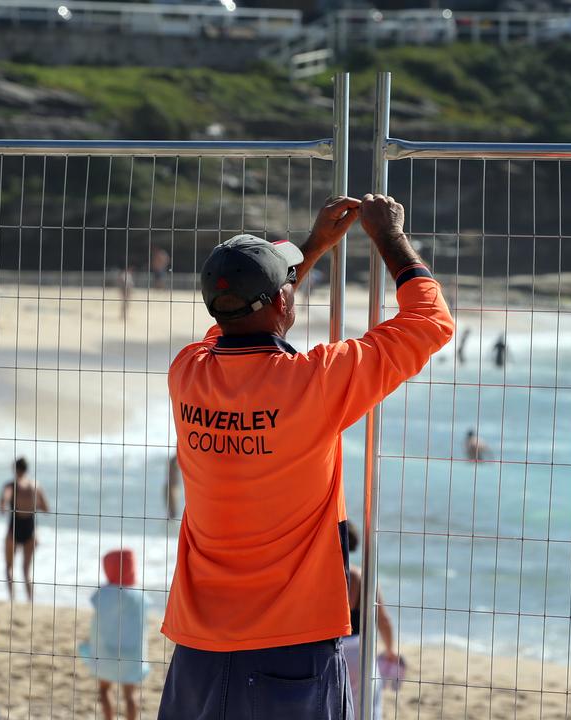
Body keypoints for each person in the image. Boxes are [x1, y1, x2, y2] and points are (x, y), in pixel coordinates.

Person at [157, 194, 453, 719]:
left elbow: (233, 324)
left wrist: (309, 252)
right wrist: (388, 236)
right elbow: (430, 322)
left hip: (199, 638)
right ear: (284, 303)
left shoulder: (187, 373)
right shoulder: (313, 383)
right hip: (293, 638)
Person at [80, 549, 150, 720]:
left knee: (104, 690)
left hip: (106, 650)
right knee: (130, 696)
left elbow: (96, 615)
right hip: (132, 653)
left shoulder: (102, 593)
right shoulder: (140, 596)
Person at [341, 522, 399, 720]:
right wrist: (390, 651)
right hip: (358, 648)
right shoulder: (360, 575)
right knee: (366, 706)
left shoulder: (323, 574)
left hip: (330, 648)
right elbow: (383, 619)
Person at [0, 458, 50, 603]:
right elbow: (46, 509)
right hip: (31, 530)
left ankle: (12, 599)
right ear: (26, 469)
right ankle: (30, 601)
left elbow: (3, 503)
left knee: (9, 568)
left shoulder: (11, 486)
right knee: (26, 570)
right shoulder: (35, 486)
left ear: (15, 469)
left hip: (14, 528)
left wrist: (5, 505)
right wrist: (31, 505)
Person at [165, 454, 182, 521]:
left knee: (172, 512)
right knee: (172, 512)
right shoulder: (176, 459)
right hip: (172, 486)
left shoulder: (174, 459)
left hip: (172, 486)